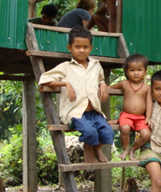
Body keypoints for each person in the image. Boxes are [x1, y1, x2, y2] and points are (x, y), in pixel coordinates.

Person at [38, 26, 114, 163]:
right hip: (76, 113)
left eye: (85, 47)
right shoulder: (65, 67)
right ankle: (89, 147)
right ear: (70, 47)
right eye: (77, 46)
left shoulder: (96, 65)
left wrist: (103, 84)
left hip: (95, 113)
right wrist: (65, 84)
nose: (81, 50)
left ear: (90, 48)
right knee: (90, 132)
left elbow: (101, 79)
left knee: (108, 134)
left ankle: (95, 147)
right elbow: (44, 79)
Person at [109, 54, 152, 160]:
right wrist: (101, 87)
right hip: (126, 116)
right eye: (132, 70)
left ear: (145, 71)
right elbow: (109, 87)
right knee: (125, 128)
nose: (136, 73)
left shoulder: (147, 88)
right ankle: (125, 149)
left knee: (146, 134)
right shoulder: (124, 83)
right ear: (127, 72)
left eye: (139, 70)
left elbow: (149, 103)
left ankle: (133, 149)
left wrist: (148, 117)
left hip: (141, 117)